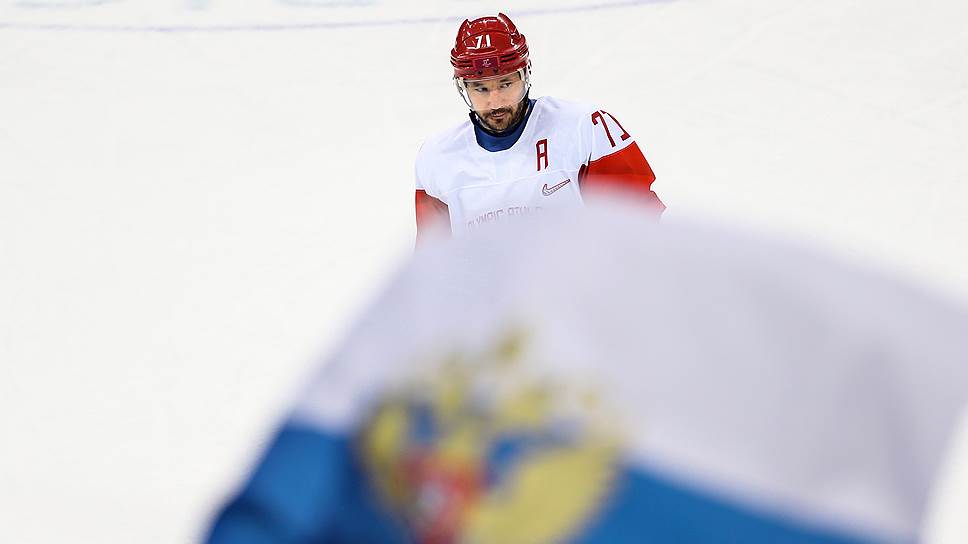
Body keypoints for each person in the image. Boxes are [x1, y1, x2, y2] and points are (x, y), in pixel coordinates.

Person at [206, 202, 968, 544]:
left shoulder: (568, 140)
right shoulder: (452, 168)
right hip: (496, 317)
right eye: (480, 83)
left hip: (585, 317)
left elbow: (631, 206)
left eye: (503, 80)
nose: (493, 97)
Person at [414, 13, 664, 243]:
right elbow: (432, 257)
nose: (496, 101)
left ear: (525, 74)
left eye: (505, 84)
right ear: (463, 88)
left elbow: (639, 221)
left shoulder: (583, 127)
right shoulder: (437, 157)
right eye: (481, 88)